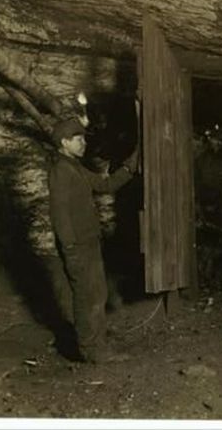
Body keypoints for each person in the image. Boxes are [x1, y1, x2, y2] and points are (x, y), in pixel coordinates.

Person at [48, 117, 138, 363]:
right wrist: (70, 248)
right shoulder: (61, 171)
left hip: (88, 242)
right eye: (78, 139)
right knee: (86, 296)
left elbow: (104, 185)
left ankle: (97, 342)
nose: (83, 143)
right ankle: (91, 349)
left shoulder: (74, 166)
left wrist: (130, 167)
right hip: (78, 246)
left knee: (97, 293)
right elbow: (60, 213)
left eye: (84, 139)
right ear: (64, 143)